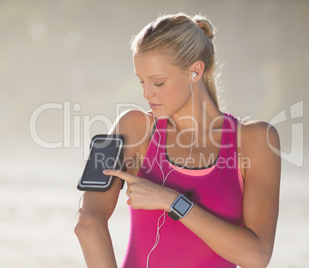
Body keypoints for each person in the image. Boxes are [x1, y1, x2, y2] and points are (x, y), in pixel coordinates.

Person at [74, 13, 281, 268]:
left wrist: (171, 201)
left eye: (158, 82)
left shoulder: (257, 140)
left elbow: (256, 256)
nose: (146, 93)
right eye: (142, 81)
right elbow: (87, 222)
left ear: (195, 71)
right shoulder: (131, 126)